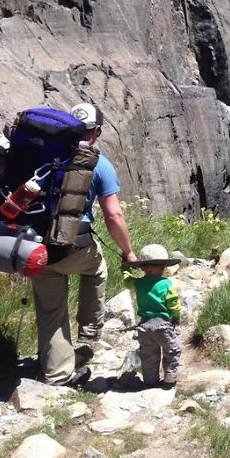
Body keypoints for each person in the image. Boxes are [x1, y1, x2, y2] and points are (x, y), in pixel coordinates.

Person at [31, 102, 137, 387]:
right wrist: (128, 252)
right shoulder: (98, 163)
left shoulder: (45, 155)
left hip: (37, 248)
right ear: (96, 131)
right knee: (97, 269)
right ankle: (88, 335)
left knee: (52, 311)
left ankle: (56, 373)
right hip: (75, 246)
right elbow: (114, 215)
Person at [122, 244, 183, 387]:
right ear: (162, 267)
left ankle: (150, 381)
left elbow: (127, 281)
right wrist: (177, 317)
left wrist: (125, 268)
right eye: (162, 267)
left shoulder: (138, 283)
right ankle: (170, 375)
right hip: (163, 326)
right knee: (172, 349)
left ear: (143, 268)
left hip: (144, 327)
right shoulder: (167, 284)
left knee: (149, 354)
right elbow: (173, 303)